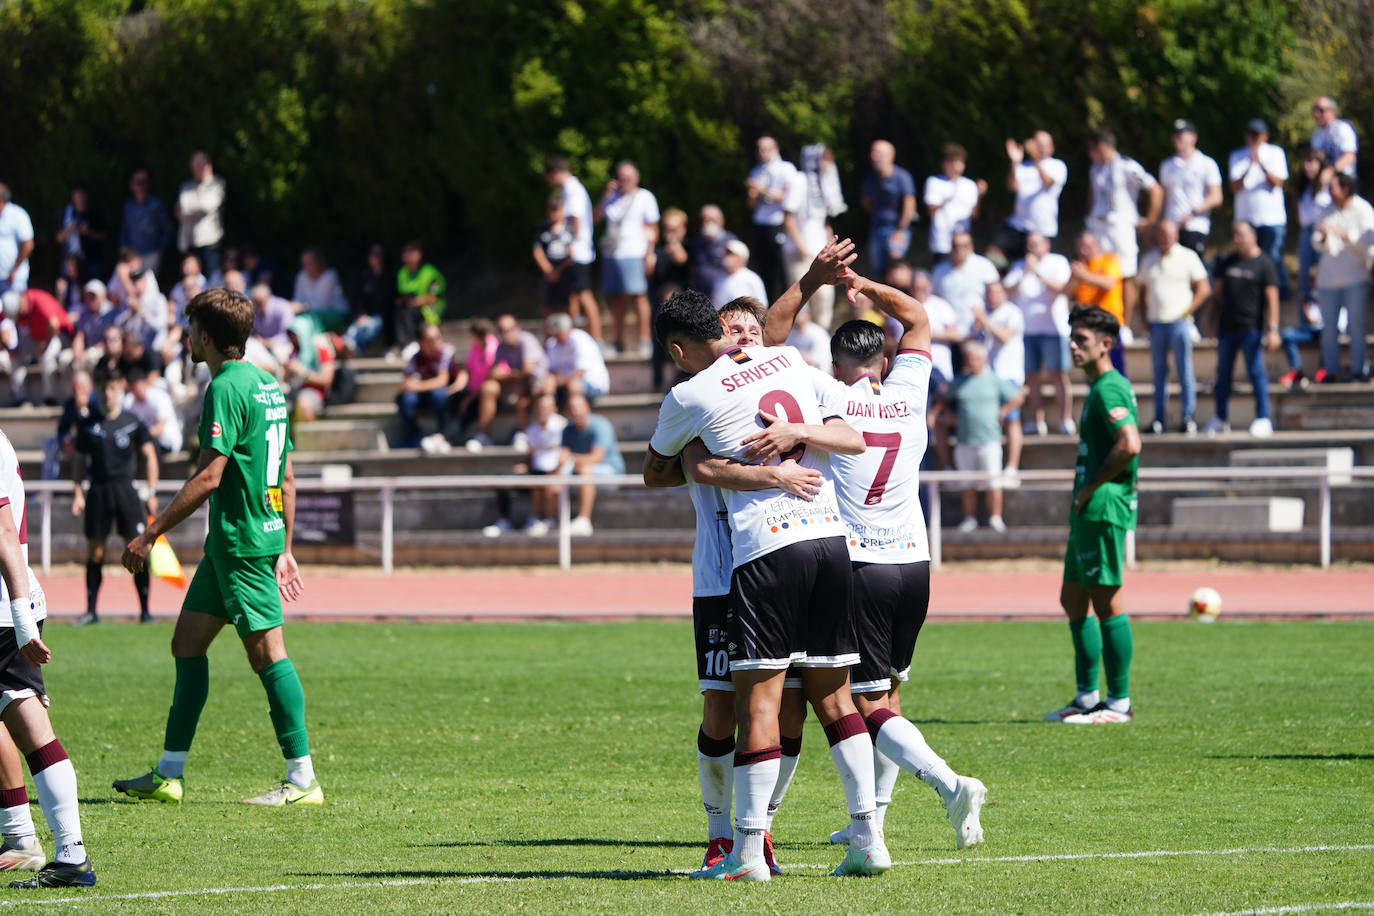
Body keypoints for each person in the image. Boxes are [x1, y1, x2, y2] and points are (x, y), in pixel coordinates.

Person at [645, 278, 887, 881]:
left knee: (759, 703)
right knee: (821, 698)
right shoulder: (787, 359)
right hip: (825, 543)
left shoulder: (688, 395)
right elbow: (853, 434)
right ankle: (862, 835)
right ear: (723, 331)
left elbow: (657, 473)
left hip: (760, 557)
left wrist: (739, 468)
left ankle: (746, 850)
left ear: (678, 349)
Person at [762, 267, 987, 852]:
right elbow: (917, 316)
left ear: (837, 365)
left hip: (859, 568)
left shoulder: (830, 395)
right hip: (915, 563)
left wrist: (817, 283)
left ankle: (951, 783)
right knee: (886, 694)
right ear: (883, 363)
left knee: (861, 704)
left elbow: (770, 339)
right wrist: (864, 286)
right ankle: (875, 820)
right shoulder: (910, 390)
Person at [114, 287, 319, 807]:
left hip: (242, 544)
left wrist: (150, 532)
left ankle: (302, 779)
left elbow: (209, 476)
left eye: (189, 330)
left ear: (206, 337)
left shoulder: (225, 388)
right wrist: (287, 545)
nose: (185, 337)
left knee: (269, 656)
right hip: (236, 544)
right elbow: (288, 476)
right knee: (186, 645)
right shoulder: (269, 385)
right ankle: (169, 774)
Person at [0, 428, 98, 888]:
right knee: (15, 717)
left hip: (3, 612)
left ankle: (65, 852)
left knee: (34, 730)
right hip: (9, 610)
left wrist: (20, 622)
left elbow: (2, 533)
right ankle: (24, 840)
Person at [1045, 305, 1140, 725]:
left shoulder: (1109, 389)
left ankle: (1118, 703)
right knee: (1073, 597)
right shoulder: (1100, 386)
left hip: (1101, 506)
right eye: (1072, 338)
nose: (1073, 346)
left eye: (1081, 340)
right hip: (1087, 508)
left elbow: (1130, 443)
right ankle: (1087, 697)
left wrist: (1090, 486)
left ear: (1106, 344)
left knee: (1106, 599)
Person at [71, 366, 159, 626]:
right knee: (95, 553)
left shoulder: (132, 422)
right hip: (98, 490)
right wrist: (78, 492)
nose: (107, 393)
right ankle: (91, 610)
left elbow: (150, 457)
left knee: (137, 550)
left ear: (120, 388)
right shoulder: (88, 425)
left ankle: (145, 611)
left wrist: (151, 490)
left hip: (126, 491)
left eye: (111, 388)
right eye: (102, 388)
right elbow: (77, 461)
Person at [1205, 221, 1280, 437]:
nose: (1237, 239)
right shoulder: (1227, 262)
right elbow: (1216, 295)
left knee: (1256, 373)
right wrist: (1211, 321)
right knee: (1222, 376)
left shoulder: (1264, 263)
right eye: (1235, 234)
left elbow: (1272, 299)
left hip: (1252, 330)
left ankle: (1263, 418)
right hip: (1226, 329)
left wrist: (1272, 329)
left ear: (1253, 236)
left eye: (1241, 235)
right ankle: (1220, 418)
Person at [1087, 130, 1162, 337]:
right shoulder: (1095, 168)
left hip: (1120, 224)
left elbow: (1154, 188)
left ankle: (1125, 325)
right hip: (1099, 225)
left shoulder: (1127, 166)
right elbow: (1093, 195)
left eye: (1092, 149)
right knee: (1100, 272)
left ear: (1102, 146)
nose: (1090, 154)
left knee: (1127, 274)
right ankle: (1102, 320)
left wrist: (1150, 220)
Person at [1137, 221, 1209, 434]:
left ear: (1176, 235)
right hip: (1157, 323)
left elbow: (1204, 288)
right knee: (1159, 374)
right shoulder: (1149, 259)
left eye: (1170, 235)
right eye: (1162, 234)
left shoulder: (1188, 257)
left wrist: (1188, 312)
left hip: (1179, 323)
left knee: (1184, 371)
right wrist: (1143, 318)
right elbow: (1142, 292)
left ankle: (1188, 417)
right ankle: (1160, 418)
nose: (1166, 239)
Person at [944, 340, 1022, 532]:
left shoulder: (994, 379)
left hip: (989, 441)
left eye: (975, 358)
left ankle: (996, 518)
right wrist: (950, 415)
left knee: (993, 482)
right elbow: (943, 399)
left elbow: (1017, 397)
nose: (971, 362)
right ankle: (969, 518)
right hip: (964, 441)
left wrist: (1003, 412)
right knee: (967, 484)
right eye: (969, 358)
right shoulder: (960, 380)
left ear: (983, 360)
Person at [1003, 232, 1074, 434]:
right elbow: (1005, 292)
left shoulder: (1058, 262)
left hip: (1054, 330)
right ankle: (1037, 420)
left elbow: (1062, 289)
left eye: (1036, 244)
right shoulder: (1020, 266)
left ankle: (1065, 419)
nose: (1032, 248)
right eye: (1029, 245)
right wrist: (1025, 272)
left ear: (1046, 245)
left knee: (1058, 375)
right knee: (1032, 378)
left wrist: (1037, 273)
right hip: (1027, 331)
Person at [1312, 172, 1374, 382]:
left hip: (1356, 277)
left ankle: (1359, 370)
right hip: (1328, 280)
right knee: (1329, 328)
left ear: (1345, 188)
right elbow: (1315, 242)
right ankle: (1331, 371)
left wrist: (1341, 234)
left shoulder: (1363, 209)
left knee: (1356, 325)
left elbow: (1369, 242)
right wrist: (1322, 237)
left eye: (1333, 186)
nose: (1329, 191)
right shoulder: (1325, 210)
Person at [594, 160, 659, 356]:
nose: (624, 182)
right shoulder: (611, 198)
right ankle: (618, 341)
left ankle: (645, 341)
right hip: (612, 254)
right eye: (621, 178)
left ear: (636, 178)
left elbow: (652, 229)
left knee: (638, 296)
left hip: (634, 253)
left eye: (628, 178)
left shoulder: (645, 197)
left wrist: (649, 253)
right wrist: (605, 197)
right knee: (616, 299)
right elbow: (594, 218)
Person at [482, 393, 567, 538]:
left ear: (554, 408)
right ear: (535, 409)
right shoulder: (531, 430)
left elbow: (565, 455)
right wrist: (526, 466)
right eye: (540, 407)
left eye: (546, 407)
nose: (543, 410)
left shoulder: (564, 427)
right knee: (502, 480)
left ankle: (545, 520)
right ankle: (505, 521)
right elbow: (533, 457)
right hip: (536, 471)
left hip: (556, 472)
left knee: (544, 480)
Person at [785, 144, 847, 330]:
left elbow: (824, 220)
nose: (827, 165)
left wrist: (832, 245)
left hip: (821, 250)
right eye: (824, 160)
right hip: (799, 252)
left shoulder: (823, 184)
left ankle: (822, 339)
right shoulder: (799, 181)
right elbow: (788, 217)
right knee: (801, 299)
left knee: (825, 297)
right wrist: (801, 247)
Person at [543, 157, 603, 343]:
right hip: (577, 250)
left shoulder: (572, 190)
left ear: (555, 173)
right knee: (574, 297)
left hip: (577, 251)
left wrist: (571, 242)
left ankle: (597, 339)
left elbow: (575, 219)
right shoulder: (572, 189)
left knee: (584, 294)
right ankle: (577, 338)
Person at [1229, 119, 1290, 302]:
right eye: (1250, 134)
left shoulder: (1276, 153)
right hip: (1247, 219)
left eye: (1257, 134)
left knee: (1273, 260)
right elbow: (1234, 186)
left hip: (1272, 219)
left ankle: (1279, 298)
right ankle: (1253, 298)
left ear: (1265, 136)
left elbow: (1278, 182)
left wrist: (1261, 163)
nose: (1253, 138)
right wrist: (1249, 165)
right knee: (1248, 262)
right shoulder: (1237, 155)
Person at [972, 281, 1026, 480]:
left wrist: (983, 320)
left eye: (996, 292)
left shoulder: (1012, 312)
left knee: (1012, 420)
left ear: (1004, 294)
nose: (992, 296)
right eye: (989, 293)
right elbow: (972, 339)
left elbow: (1004, 336)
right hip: (987, 376)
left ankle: (1012, 466)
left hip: (1008, 375)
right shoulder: (985, 314)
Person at [468, 315, 546, 451]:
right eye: (502, 330)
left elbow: (527, 371)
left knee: (521, 388)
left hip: (535, 384)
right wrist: (512, 376)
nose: (506, 333)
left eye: (509, 329)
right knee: (488, 387)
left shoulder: (527, 340)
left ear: (517, 328)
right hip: (514, 384)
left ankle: (523, 434)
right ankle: (484, 435)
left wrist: (507, 375)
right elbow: (493, 373)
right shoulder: (501, 346)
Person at [990, 130, 1068, 264]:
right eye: (1038, 143)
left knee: (1040, 265)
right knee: (993, 256)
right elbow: (1012, 186)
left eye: (1044, 144)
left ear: (1051, 147)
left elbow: (1048, 182)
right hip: (1018, 225)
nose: (1041, 147)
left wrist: (1036, 159)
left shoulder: (1058, 165)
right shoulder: (1024, 166)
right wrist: (1014, 162)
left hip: (1043, 228)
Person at [559, 393, 625, 537]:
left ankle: (584, 520)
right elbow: (562, 459)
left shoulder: (601, 425)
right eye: (571, 408)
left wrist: (570, 458)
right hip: (581, 471)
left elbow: (596, 458)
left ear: (587, 408)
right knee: (555, 474)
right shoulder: (567, 430)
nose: (574, 411)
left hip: (611, 473)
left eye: (577, 408)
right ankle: (550, 519)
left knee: (585, 471)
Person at [1066, 230, 1128, 375]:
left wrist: (1084, 275)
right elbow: (1065, 292)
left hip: (1108, 324)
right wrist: (1076, 277)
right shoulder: (1080, 267)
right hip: (1086, 327)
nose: (1083, 250)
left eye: (1087, 246)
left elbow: (1109, 284)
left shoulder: (1109, 260)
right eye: (1080, 247)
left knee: (1115, 368)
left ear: (1096, 244)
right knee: (1091, 369)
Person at [1159, 119, 1223, 257]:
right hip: (1171, 230)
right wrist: (1159, 224)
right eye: (1175, 135)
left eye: (1181, 134)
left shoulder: (1207, 164)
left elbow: (1216, 196)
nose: (1177, 138)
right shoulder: (1167, 166)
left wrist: (1193, 212)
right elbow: (1164, 198)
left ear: (1193, 137)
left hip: (1195, 226)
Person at [931, 231, 999, 355]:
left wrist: (985, 317)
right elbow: (934, 299)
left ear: (971, 247)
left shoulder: (984, 266)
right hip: (948, 334)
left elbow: (996, 295)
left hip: (977, 332)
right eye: (955, 246)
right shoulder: (939, 271)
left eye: (963, 246)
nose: (959, 250)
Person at [746, 136, 796, 300]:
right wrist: (753, 194)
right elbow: (752, 205)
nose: (761, 152)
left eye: (766, 148)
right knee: (764, 267)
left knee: (780, 268)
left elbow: (786, 197)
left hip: (778, 223)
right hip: (761, 223)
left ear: (775, 149)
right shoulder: (756, 171)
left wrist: (762, 189)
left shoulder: (785, 168)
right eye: (759, 149)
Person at [5, 289, 73, 405]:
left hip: (57, 334)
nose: (18, 316)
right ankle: (20, 398)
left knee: (47, 357)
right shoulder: (18, 310)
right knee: (15, 356)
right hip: (36, 336)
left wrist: (43, 345)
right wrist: (9, 348)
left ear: (22, 302)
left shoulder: (40, 300)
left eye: (18, 312)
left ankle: (49, 398)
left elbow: (54, 324)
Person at [861, 141, 916, 277]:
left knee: (896, 267)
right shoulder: (870, 179)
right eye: (873, 153)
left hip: (897, 228)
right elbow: (867, 204)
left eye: (878, 153)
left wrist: (901, 230)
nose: (874, 156)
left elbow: (909, 205)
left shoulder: (902, 177)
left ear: (890, 156)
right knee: (879, 270)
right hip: (877, 228)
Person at [396, 323, 455, 449]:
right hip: (425, 395)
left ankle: (445, 435)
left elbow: (442, 381)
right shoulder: (416, 357)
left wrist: (417, 386)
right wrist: (409, 386)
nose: (438, 341)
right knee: (405, 399)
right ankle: (414, 436)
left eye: (439, 337)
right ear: (422, 342)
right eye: (433, 338)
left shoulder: (446, 351)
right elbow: (405, 384)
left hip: (450, 395)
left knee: (438, 394)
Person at [924, 144, 986, 262]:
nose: (957, 166)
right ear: (945, 164)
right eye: (953, 162)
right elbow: (931, 211)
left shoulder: (970, 185)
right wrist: (950, 195)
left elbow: (974, 214)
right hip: (941, 242)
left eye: (960, 162)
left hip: (963, 243)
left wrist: (979, 195)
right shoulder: (934, 182)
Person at [175, 152, 225, 277]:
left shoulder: (217, 184)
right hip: (189, 242)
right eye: (196, 164)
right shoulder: (186, 186)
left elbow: (206, 205)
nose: (199, 167)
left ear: (209, 166)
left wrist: (187, 207)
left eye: (202, 164)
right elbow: (179, 211)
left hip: (209, 243)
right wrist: (192, 208)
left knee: (211, 280)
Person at [543, 312, 609, 405]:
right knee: (548, 383)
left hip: (593, 385)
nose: (558, 337)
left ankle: (577, 416)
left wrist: (559, 381)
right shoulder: (552, 343)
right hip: (563, 385)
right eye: (555, 334)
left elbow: (580, 372)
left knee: (573, 385)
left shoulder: (580, 339)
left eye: (560, 333)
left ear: (570, 328)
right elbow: (552, 370)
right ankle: (549, 417)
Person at [282, 316, 337, 423]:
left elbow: (327, 380)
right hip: (294, 391)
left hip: (314, 392)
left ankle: (310, 438)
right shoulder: (293, 353)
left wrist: (304, 373)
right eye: (291, 335)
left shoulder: (320, 350)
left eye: (295, 335)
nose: (293, 338)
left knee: (304, 403)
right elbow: (287, 381)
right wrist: (287, 371)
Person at [394, 241, 446, 351]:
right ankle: (404, 346)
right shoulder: (402, 273)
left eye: (411, 252)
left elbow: (433, 297)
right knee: (399, 310)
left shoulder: (430, 272)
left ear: (419, 254)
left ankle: (410, 344)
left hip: (430, 311)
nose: (408, 255)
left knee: (408, 310)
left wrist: (414, 302)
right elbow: (402, 296)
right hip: (410, 310)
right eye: (405, 252)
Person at [119, 168, 172, 276]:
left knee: (149, 285)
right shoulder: (128, 206)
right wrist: (123, 248)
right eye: (137, 182)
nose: (140, 186)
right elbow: (125, 229)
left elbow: (167, 229)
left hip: (152, 254)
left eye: (144, 182)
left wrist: (160, 250)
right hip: (132, 256)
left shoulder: (157, 204)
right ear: (131, 185)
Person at [342, 243, 391, 357]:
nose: (375, 258)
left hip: (381, 317)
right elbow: (358, 299)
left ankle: (357, 351)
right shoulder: (365, 276)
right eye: (372, 254)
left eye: (378, 255)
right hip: (365, 315)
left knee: (371, 327)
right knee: (354, 329)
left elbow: (387, 301)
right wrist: (361, 314)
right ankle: (346, 345)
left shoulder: (389, 277)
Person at [533, 195, 575, 317]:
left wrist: (558, 271)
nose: (555, 214)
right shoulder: (543, 229)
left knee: (567, 307)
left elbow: (571, 254)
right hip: (548, 272)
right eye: (552, 211)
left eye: (557, 210)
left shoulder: (569, 229)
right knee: (548, 308)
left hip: (565, 272)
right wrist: (549, 271)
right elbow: (538, 251)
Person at [124, 367, 183, 454]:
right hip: (146, 444)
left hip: (167, 443)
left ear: (145, 383)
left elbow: (159, 429)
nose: (137, 390)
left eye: (138, 385)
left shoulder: (159, 397)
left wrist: (139, 437)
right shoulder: (129, 402)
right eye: (133, 387)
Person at [55, 183, 106, 280]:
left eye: (82, 195)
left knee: (91, 289)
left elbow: (103, 236)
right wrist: (69, 229)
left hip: (91, 260)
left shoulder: (94, 213)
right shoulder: (66, 213)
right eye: (77, 194)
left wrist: (88, 232)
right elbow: (58, 238)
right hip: (69, 261)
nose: (80, 198)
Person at [291, 248, 348, 332]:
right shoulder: (302, 276)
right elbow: (297, 298)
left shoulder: (330, 276)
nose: (307, 267)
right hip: (309, 314)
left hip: (336, 314)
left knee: (310, 322)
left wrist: (302, 307)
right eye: (304, 263)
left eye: (310, 263)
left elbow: (322, 304)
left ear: (319, 262)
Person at [689, 204, 737, 296]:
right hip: (701, 296)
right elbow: (693, 270)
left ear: (721, 221)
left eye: (712, 220)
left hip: (724, 296)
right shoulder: (697, 242)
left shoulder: (731, 242)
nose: (708, 223)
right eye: (704, 220)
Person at [1311, 96, 1358, 179]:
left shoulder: (1342, 128)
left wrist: (1331, 171)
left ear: (1332, 112)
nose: (1316, 114)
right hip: (1325, 183)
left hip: (1344, 182)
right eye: (1315, 109)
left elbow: (1350, 156)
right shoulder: (1317, 134)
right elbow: (1316, 158)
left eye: (1321, 110)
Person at [0, 185, 34, 297]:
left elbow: (28, 244)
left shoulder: (17, 214)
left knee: (11, 313)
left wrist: (14, 269)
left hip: (13, 279)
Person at [712, 240, 767, 308]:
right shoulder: (719, 278)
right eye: (726, 253)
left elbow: (763, 306)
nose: (726, 256)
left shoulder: (752, 278)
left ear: (741, 258)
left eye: (730, 253)